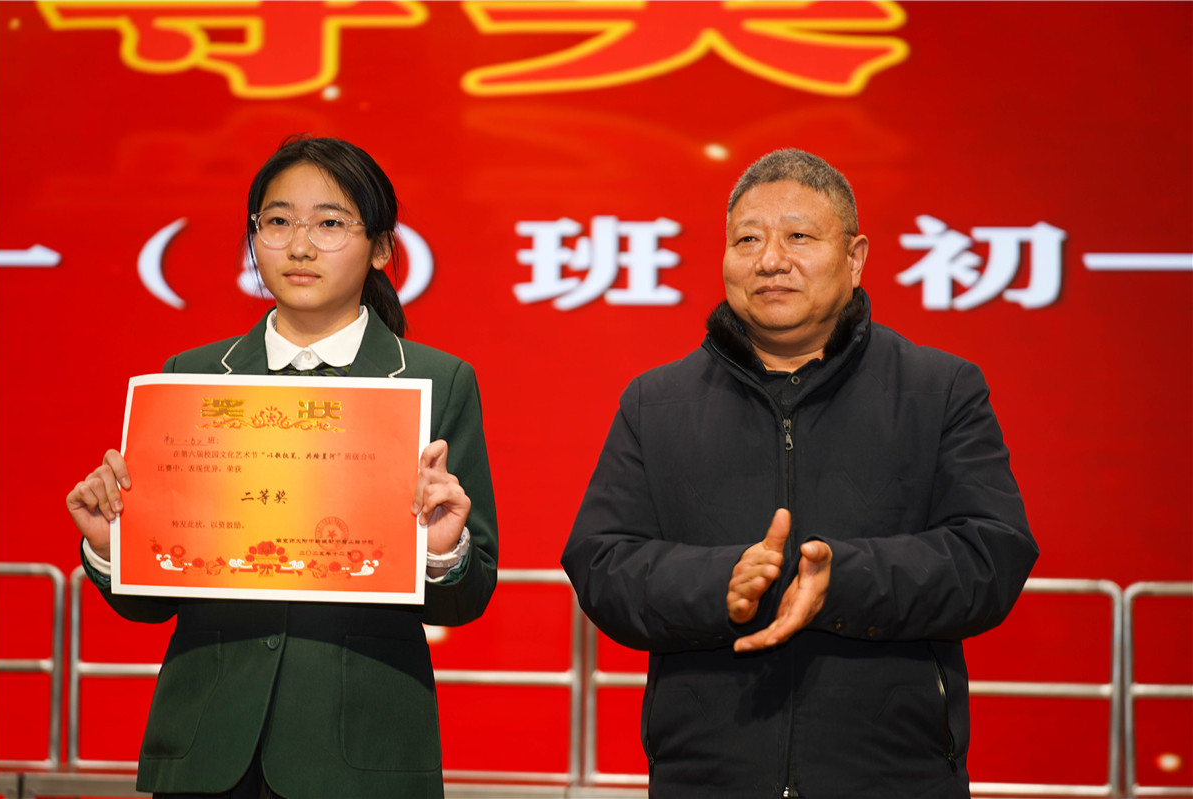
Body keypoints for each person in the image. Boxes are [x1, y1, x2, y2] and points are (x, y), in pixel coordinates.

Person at [562, 148, 1038, 798]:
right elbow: (600, 561)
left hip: (893, 775)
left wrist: (844, 579)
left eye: (798, 237)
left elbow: (991, 554)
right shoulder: (656, 402)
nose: (770, 260)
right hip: (707, 776)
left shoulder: (939, 389)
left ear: (855, 257)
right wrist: (721, 582)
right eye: (747, 240)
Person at [66, 135, 497, 799]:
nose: (300, 246)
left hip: (362, 752)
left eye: (330, 223)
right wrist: (110, 545)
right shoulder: (193, 377)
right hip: (208, 749)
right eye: (277, 221)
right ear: (254, 236)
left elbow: (466, 599)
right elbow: (149, 602)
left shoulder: (437, 382)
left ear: (382, 248)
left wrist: (440, 552)